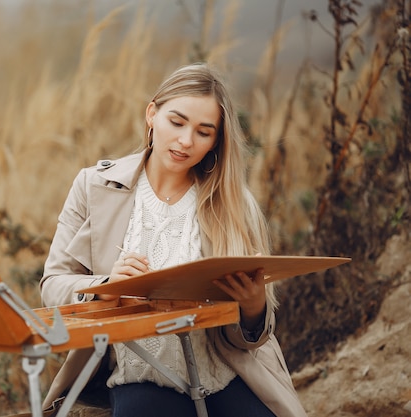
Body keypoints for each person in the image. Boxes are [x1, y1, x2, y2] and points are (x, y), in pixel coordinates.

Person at [39, 63, 307, 417]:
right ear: (152, 114)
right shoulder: (93, 187)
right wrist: (106, 286)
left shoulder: (236, 203)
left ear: (216, 140)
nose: (185, 141)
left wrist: (254, 305)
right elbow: (52, 286)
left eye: (203, 132)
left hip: (231, 373)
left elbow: (252, 338)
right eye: (177, 122)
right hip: (140, 377)